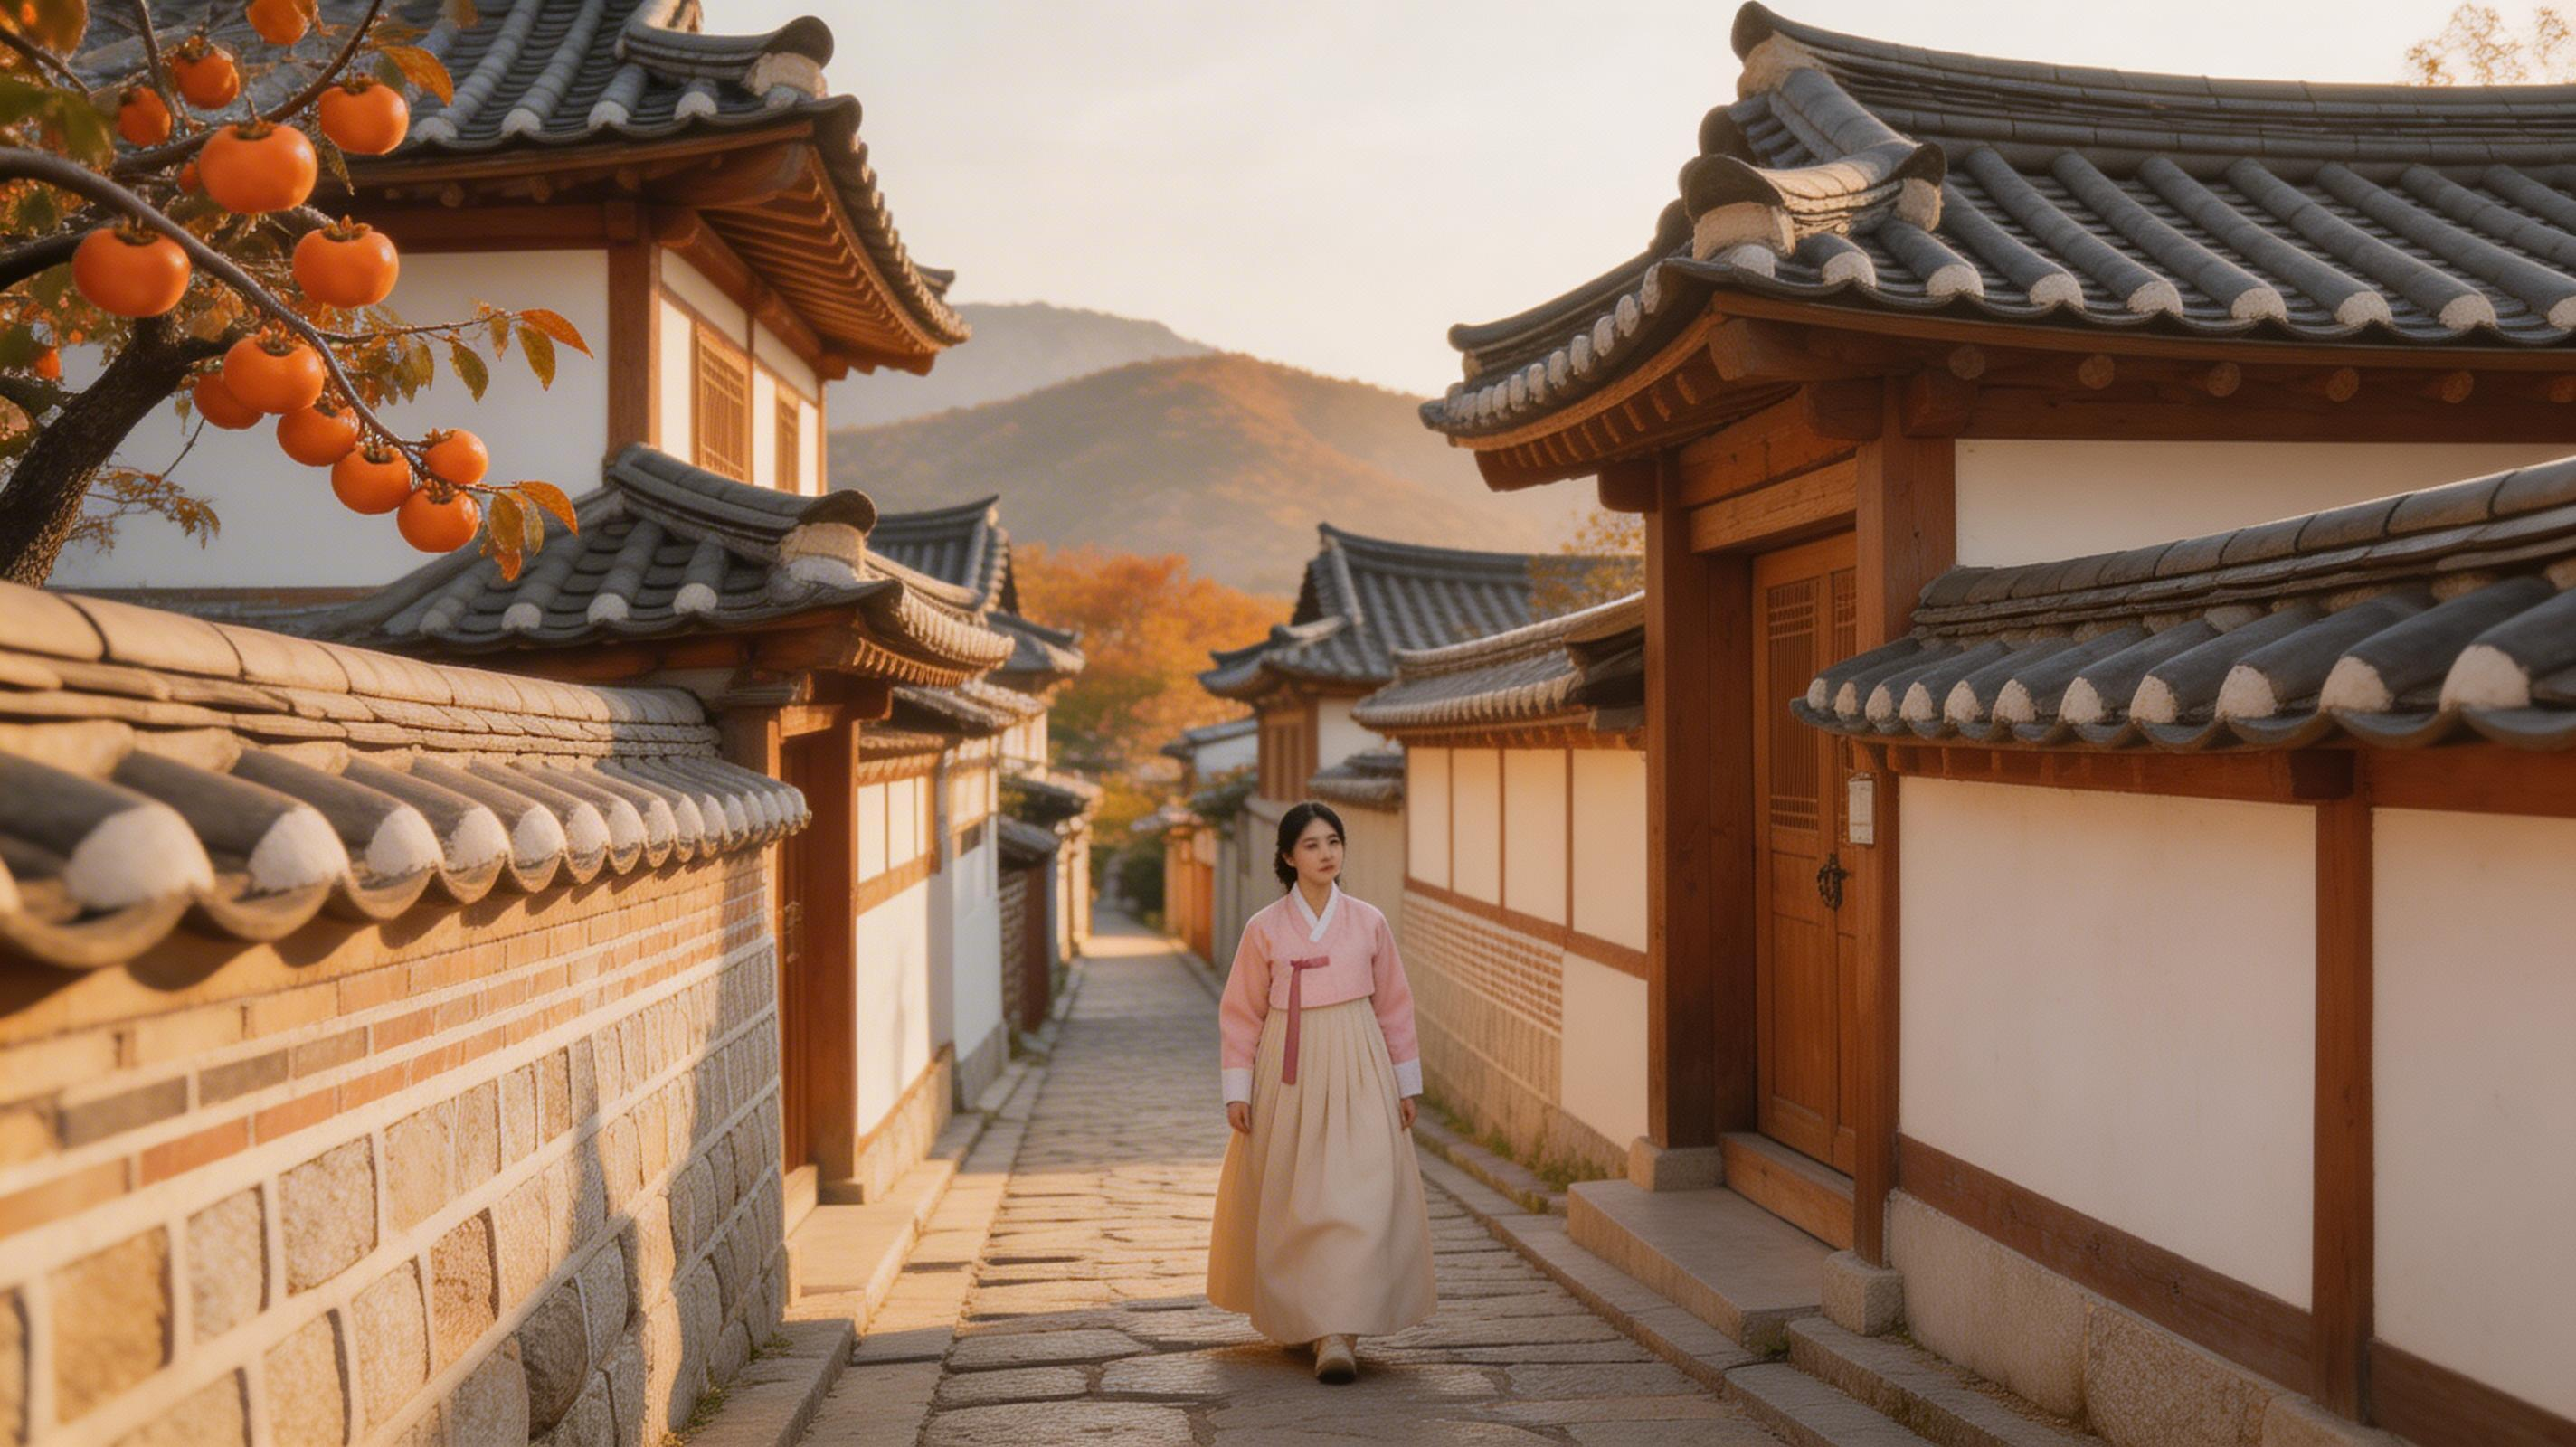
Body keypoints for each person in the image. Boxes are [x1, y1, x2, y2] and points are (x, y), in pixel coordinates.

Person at [1205, 800, 1437, 1383]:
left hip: (1360, 1061)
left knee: (1358, 1193)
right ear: (1287, 856)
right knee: (1296, 1194)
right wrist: (1239, 1088)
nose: (1326, 854)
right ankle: (1306, 1318)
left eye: (1334, 842)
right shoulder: (1264, 928)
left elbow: (1394, 1007)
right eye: (1311, 845)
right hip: (1289, 1069)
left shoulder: (1369, 921)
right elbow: (1241, 1014)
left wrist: (1405, 1082)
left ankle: (1341, 1332)